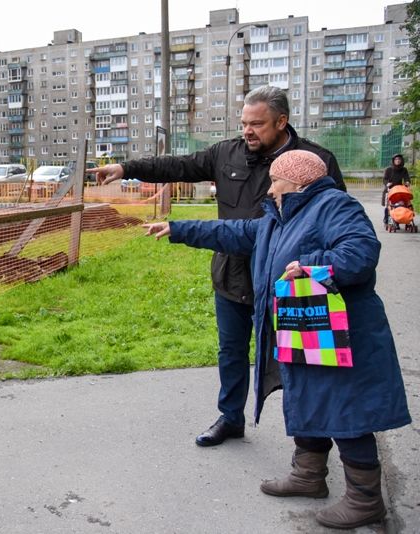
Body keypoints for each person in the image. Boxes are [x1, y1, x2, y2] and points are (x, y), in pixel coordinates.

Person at [144, 150, 411, 529]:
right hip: (305, 328)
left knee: (345, 409)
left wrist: (312, 265)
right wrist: (177, 229)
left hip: (340, 333)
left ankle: (365, 500)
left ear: (297, 182)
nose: (269, 190)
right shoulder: (281, 217)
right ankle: (308, 475)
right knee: (306, 397)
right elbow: (235, 232)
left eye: (275, 181)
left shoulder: (334, 206)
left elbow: (361, 253)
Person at [87, 86, 345, 447]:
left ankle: (311, 443)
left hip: (287, 280)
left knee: (300, 359)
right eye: (244, 123)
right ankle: (231, 418)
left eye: (257, 124)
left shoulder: (314, 161)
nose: (248, 131)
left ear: (281, 121)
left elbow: (335, 223)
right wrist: (126, 167)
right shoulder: (227, 153)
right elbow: (178, 165)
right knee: (231, 351)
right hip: (232, 274)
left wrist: (315, 267)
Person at [382, 154, 411, 227]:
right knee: (388, 205)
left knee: (401, 205)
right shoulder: (388, 169)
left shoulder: (404, 170)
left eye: (399, 159)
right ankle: (386, 219)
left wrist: (407, 182)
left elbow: (406, 178)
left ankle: (399, 219)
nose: (398, 161)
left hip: (399, 190)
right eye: (396, 159)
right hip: (390, 188)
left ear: (401, 161)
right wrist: (387, 183)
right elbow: (385, 179)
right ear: (393, 161)